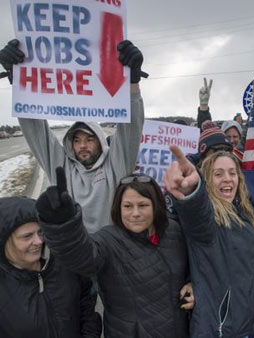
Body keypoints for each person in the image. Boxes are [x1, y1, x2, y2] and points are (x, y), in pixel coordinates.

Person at [0, 39, 145, 233]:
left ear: (101, 142)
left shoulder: (116, 164)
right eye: (77, 140)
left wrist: (132, 83)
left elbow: (131, 127)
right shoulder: (62, 167)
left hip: (112, 252)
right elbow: (37, 133)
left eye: (89, 139)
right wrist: (19, 80)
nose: (82, 145)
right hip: (75, 252)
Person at [35, 169, 192, 338]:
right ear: (118, 207)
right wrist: (63, 224)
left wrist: (192, 284)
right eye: (128, 206)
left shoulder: (174, 231)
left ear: (156, 205)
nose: (135, 213)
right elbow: (81, 256)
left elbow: (193, 265)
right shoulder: (108, 239)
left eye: (143, 205)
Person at [164, 145, 254, 338]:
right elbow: (196, 211)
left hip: (244, 325)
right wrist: (192, 190)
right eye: (218, 174)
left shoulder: (244, 214)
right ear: (207, 180)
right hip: (217, 329)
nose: (227, 178)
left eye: (232, 173)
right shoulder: (208, 222)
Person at [0, 196, 102, 338]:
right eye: (27, 236)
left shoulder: (63, 264)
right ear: (6, 242)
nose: (38, 241)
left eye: (40, 232)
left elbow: (87, 306)